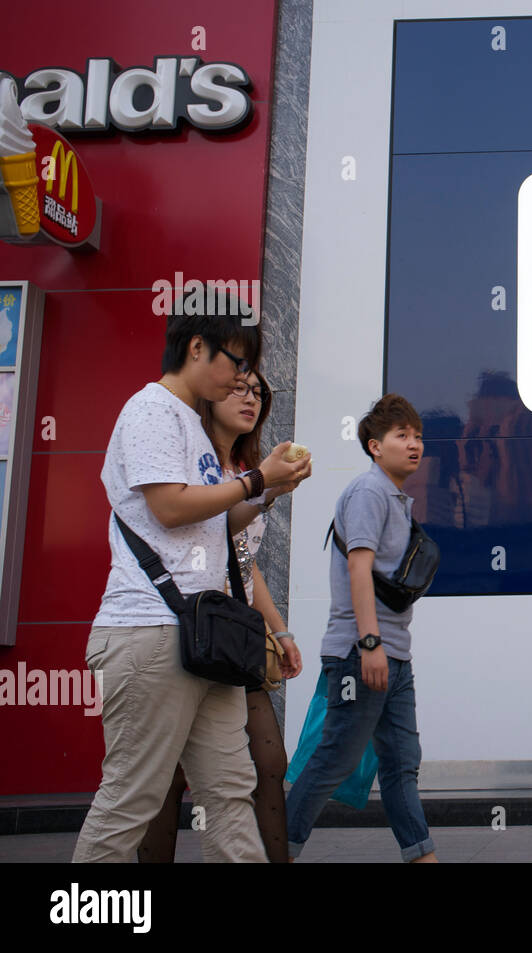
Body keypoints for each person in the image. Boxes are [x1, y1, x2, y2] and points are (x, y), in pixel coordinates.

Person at [73, 304, 311, 863]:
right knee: (132, 798)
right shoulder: (151, 410)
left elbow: (213, 525)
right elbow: (170, 509)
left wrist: (268, 489)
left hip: (203, 640)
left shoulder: (189, 424)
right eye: (236, 362)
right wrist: (257, 478)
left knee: (230, 792)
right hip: (152, 632)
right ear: (197, 347)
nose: (240, 380)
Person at [138, 369, 311, 863]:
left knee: (269, 761)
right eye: (238, 387)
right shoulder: (190, 463)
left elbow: (243, 560)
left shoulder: (248, 470)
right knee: (163, 776)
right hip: (179, 624)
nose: (250, 398)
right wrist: (259, 487)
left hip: (231, 635)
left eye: (258, 392)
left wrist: (280, 630)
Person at [284, 394, 437, 863]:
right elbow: (358, 570)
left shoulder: (393, 497)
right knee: (334, 759)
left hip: (394, 655)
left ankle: (422, 856)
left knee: (400, 766)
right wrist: (369, 644)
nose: (414, 445)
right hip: (362, 652)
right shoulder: (369, 493)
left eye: (417, 436)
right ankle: (277, 851)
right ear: (375, 446)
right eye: (401, 436)